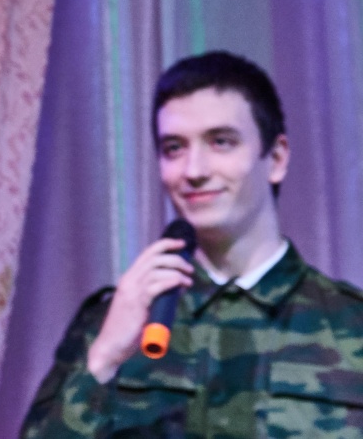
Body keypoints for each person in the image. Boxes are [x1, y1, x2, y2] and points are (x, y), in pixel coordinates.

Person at [21, 51, 363, 437]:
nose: (194, 171)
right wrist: (104, 358)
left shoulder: (351, 324)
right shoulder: (116, 321)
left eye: (221, 142)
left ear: (277, 158)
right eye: (174, 148)